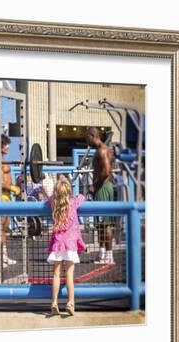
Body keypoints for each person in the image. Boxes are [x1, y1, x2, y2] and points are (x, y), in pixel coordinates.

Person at [44, 177, 86, 316]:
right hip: (70, 244)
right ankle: (70, 303)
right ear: (68, 192)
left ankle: (54, 303)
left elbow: (49, 196)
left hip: (57, 244)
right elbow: (82, 197)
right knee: (69, 275)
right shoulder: (73, 203)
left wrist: (49, 191)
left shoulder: (53, 204)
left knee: (56, 274)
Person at [0, 134, 20, 267]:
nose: (7, 147)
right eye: (5, 144)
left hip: (6, 197)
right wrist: (13, 188)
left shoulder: (3, 160)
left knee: (5, 228)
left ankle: (4, 256)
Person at [85, 127, 116, 265]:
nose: (87, 141)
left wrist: (93, 187)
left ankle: (109, 255)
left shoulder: (102, 150)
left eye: (87, 138)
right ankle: (102, 253)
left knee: (106, 224)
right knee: (100, 224)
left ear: (93, 136)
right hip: (101, 188)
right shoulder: (101, 150)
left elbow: (106, 171)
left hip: (103, 188)